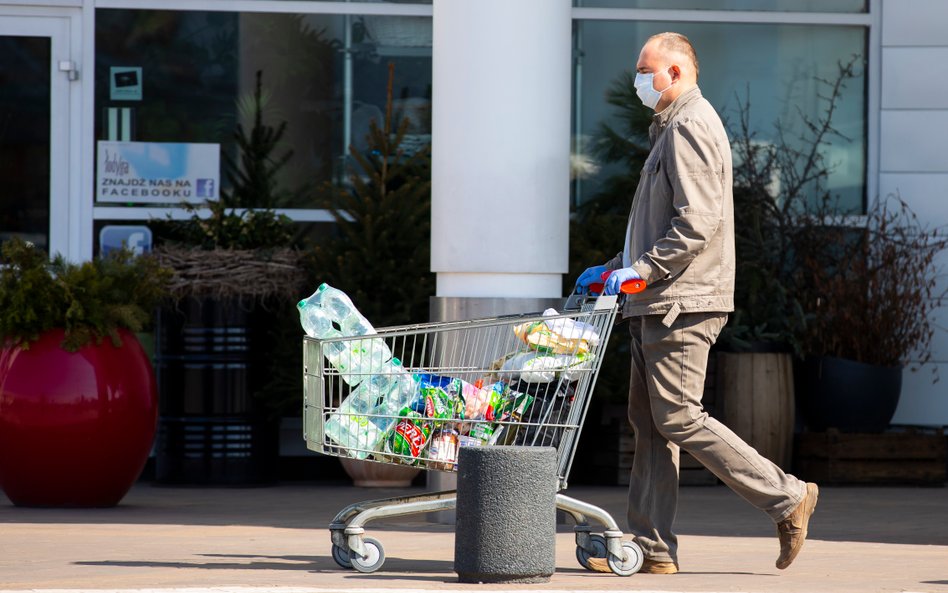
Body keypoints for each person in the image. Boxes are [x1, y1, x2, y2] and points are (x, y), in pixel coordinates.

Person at [577, 32, 818, 575]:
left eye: (646, 70)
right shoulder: (669, 127)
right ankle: (653, 549)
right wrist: (618, 265)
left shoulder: (690, 125)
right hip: (656, 301)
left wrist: (639, 271)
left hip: (681, 303)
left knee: (678, 417)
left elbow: (697, 223)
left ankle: (787, 496)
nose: (639, 80)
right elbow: (665, 223)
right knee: (652, 423)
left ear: (677, 73)